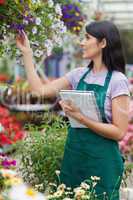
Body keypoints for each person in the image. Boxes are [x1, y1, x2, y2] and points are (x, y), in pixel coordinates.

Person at [16, 20, 130, 200]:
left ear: (103, 43)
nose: (81, 42)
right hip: (74, 158)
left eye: (87, 38)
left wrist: (81, 118)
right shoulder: (78, 75)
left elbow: (119, 132)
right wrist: (27, 54)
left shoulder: (118, 81)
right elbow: (40, 90)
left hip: (102, 163)